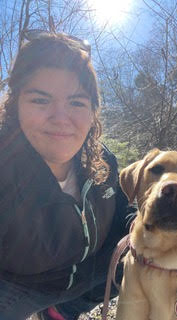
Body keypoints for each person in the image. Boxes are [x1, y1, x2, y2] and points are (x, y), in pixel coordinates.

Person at [0, 30, 132, 320]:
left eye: (76, 102)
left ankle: (58, 313)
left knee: (132, 261)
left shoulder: (102, 160)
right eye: (40, 100)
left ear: (93, 112)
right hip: (18, 289)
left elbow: (126, 210)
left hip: (86, 276)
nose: (61, 119)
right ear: (15, 104)